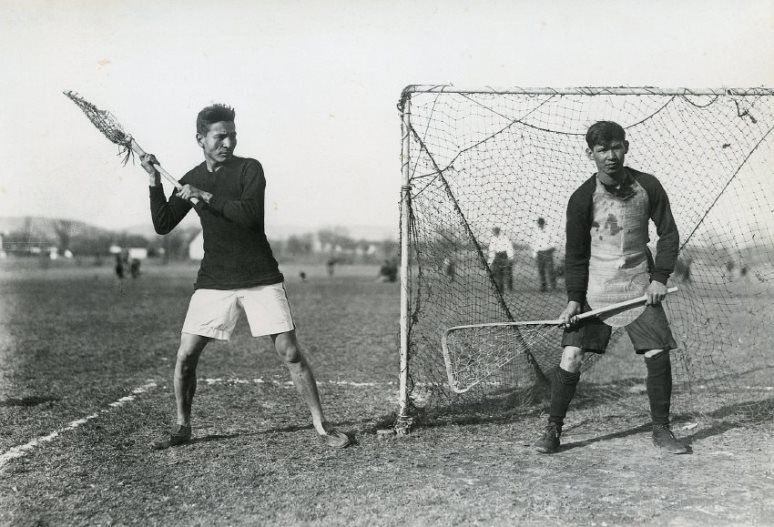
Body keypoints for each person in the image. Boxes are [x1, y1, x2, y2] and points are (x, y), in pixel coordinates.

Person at [141, 104, 350, 450]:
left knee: (290, 353)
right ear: (200, 139)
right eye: (220, 136)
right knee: (185, 356)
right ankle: (183, 425)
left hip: (259, 276)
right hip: (214, 280)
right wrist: (153, 179)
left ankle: (321, 424)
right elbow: (163, 224)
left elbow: (250, 216)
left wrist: (204, 196)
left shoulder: (250, 169)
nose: (228, 142)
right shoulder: (191, 176)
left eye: (232, 136)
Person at [534, 121, 688, 455]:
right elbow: (575, 255)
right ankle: (553, 428)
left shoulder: (649, 186)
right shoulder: (580, 198)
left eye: (616, 147)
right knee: (572, 355)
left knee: (657, 353)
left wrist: (659, 278)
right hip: (595, 289)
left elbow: (669, 234)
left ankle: (662, 430)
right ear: (590, 154)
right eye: (602, 150)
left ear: (626, 147)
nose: (610, 156)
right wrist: (575, 300)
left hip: (637, 285)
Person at [487, 227, 514, 293]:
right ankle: (500, 289)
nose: (493, 232)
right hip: (497, 257)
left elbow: (509, 248)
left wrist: (510, 258)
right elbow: (491, 251)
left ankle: (510, 288)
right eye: (493, 231)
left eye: (495, 231)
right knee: (497, 274)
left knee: (508, 273)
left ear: (498, 231)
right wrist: (490, 262)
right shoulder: (492, 239)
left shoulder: (505, 238)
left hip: (505, 256)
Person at [533, 217, 557, 292]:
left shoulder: (549, 230)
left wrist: (552, 247)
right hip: (539, 253)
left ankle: (553, 287)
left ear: (544, 223)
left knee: (550, 270)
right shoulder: (535, 232)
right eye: (539, 223)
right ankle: (543, 287)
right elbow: (534, 243)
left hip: (548, 252)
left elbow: (554, 239)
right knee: (541, 271)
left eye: (541, 223)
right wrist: (534, 254)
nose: (540, 225)